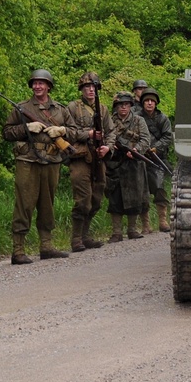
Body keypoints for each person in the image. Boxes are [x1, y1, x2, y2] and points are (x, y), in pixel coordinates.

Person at [2, 69, 73, 264]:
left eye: (42, 83)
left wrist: (63, 130)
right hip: (28, 160)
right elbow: (7, 133)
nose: (37, 86)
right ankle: (18, 251)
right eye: (34, 83)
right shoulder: (22, 108)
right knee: (24, 204)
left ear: (49, 86)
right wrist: (26, 129)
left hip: (52, 161)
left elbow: (75, 132)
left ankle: (46, 246)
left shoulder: (60, 109)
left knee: (47, 204)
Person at [66, 72, 116, 252]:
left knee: (96, 198)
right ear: (81, 89)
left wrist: (108, 147)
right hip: (80, 157)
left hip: (98, 157)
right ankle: (76, 239)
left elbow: (111, 132)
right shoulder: (73, 107)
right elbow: (68, 132)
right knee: (83, 200)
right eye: (87, 87)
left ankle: (86, 236)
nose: (90, 90)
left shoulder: (102, 109)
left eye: (93, 87)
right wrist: (88, 134)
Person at [106, 92, 152, 241]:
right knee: (115, 198)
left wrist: (137, 150)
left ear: (130, 106)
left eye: (126, 104)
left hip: (133, 164)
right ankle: (116, 232)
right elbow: (107, 138)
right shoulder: (110, 121)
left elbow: (146, 139)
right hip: (116, 163)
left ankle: (132, 229)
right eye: (120, 105)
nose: (123, 107)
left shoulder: (139, 120)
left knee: (135, 197)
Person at [137, 87, 174, 232]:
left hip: (157, 158)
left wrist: (156, 147)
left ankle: (163, 221)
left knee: (159, 188)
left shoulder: (162, 118)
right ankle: (145, 225)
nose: (150, 103)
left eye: (152, 101)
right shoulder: (137, 117)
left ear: (156, 103)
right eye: (147, 101)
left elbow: (167, 137)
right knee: (142, 190)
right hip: (140, 158)